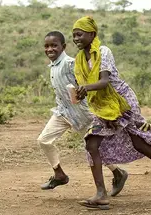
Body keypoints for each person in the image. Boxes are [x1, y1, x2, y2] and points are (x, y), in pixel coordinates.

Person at [72, 16, 151, 210]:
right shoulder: (79, 60)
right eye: (73, 36)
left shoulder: (103, 52)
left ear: (92, 34)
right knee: (92, 142)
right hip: (104, 107)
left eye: (79, 34)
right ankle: (101, 194)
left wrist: (85, 88)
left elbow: (104, 82)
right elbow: (90, 89)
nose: (76, 38)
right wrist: (80, 93)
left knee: (137, 141)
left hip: (122, 102)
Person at [37, 31, 128, 197]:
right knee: (44, 140)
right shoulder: (53, 66)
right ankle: (59, 174)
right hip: (62, 112)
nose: (50, 49)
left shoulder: (71, 63)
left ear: (63, 47)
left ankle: (118, 173)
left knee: (93, 150)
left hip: (83, 114)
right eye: (47, 46)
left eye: (54, 45)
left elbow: (87, 82)